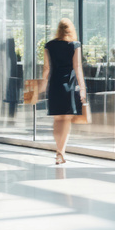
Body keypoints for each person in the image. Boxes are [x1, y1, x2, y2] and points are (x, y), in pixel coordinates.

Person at [42, 19, 87, 166]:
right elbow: (78, 67)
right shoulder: (75, 45)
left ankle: (58, 150)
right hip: (69, 85)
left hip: (54, 85)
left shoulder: (49, 45)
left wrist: (43, 85)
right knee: (66, 120)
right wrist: (83, 88)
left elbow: (46, 68)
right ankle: (61, 152)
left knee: (57, 120)